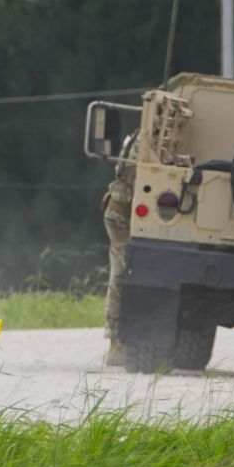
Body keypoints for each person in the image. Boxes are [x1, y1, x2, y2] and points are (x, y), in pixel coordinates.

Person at [101, 131, 137, 366]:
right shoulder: (144, 141)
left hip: (121, 212)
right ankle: (117, 343)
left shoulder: (137, 137)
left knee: (122, 275)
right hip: (122, 215)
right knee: (122, 275)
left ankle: (119, 343)